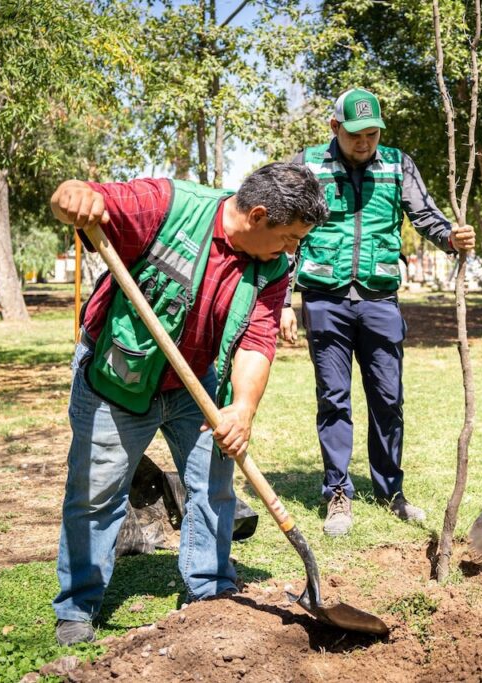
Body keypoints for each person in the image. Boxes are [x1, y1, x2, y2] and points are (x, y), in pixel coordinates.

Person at [48, 163, 328, 645]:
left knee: (214, 489)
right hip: (118, 380)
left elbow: (258, 340)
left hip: (194, 384)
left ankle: (210, 594)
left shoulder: (273, 266)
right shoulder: (167, 206)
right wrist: (72, 196)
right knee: (95, 495)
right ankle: (77, 607)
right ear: (258, 215)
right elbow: (81, 199)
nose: (292, 249)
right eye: (289, 236)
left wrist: (241, 407)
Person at [280, 88, 476, 537]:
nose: (364, 142)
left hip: (379, 299)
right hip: (324, 297)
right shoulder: (306, 166)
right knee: (334, 397)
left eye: (372, 133)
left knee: (389, 398)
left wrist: (451, 237)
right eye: (355, 135)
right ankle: (338, 493)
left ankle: (391, 491)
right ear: (334, 128)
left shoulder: (397, 164)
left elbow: (425, 215)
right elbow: (284, 232)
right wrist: (283, 300)